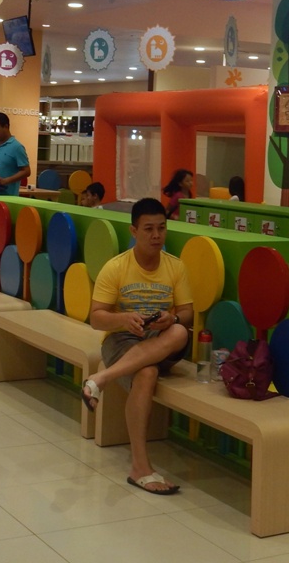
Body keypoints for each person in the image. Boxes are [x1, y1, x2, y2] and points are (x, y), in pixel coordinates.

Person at [82, 197, 193, 495]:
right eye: (148, 229)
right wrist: (123, 319)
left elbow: (187, 313)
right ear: (134, 231)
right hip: (122, 340)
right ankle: (140, 468)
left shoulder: (176, 267)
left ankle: (100, 379)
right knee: (147, 373)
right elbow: (96, 318)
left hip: (161, 339)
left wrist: (172, 318)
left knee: (180, 332)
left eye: (161, 228)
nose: (156, 235)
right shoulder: (116, 267)